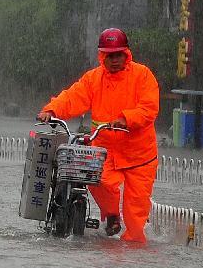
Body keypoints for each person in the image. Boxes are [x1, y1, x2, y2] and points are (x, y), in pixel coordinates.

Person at [37, 28, 160, 243]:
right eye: (109, 55)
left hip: (140, 157)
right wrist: (51, 110)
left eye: (118, 55)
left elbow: (149, 108)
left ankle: (133, 261)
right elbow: (72, 97)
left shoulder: (143, 76)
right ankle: (112, 217)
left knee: (136, 215)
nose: (113, 60)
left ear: (126, 54)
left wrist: (126, 118)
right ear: (102, 56)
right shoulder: (94, 79)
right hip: (105, 152)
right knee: (98, 180)